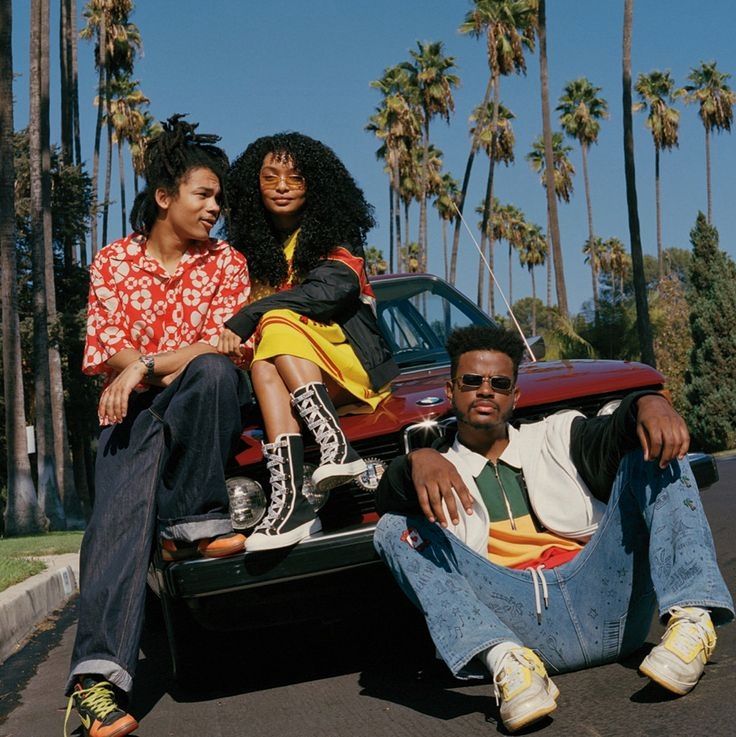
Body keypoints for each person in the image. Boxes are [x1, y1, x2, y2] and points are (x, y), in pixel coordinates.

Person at [373, 324, 733, 733]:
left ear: (515, 396)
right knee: (393, 529)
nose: (485, 391)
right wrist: (416, 459)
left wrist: (648, 403)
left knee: (657, 458)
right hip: (518, 628)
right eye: (472, 381)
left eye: (500, 383)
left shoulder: (556, 436)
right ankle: (507, 665)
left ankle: (693, 621)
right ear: (451, 391)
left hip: (607, 601)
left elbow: (613, 433)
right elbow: (388, 498)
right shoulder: (435, 471)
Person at [64, 115, 252, 737]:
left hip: (200, 408)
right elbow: (106, 344)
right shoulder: (114, 262)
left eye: (219, 197)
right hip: (135, 413)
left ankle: (194, 520)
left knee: (215, 377)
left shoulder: (227, 263)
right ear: (165, 197)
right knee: (118, 510)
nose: (215, 209)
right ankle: (96, 682)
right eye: (204, 194)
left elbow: (224, 353)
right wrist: (150, 368)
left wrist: (145, 364)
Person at [218, 132, 398, 551]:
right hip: (290, 379)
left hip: (351, 366)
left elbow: (330, 289)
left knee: (276, 319)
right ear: (253, 185)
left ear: (314, 184)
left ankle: (337, 447)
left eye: (295, 178)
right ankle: (293, 500)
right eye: (270, 177)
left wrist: (250, 314)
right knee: (265, 358)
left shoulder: (336, 235)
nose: (282, 186)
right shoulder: (250, 255)